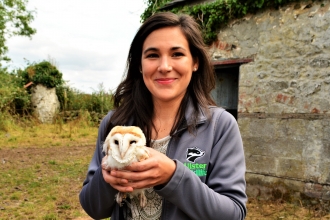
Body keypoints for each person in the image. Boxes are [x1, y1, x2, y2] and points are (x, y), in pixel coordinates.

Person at [79, 12, 247, 220]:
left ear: (195, 62)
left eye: (177, 54)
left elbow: (233, 214)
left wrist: (173, 177)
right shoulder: (115, 124)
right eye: (152, 55)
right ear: (140, 65)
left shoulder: (220, 127)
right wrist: (107, 178)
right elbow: (92, 208)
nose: (165, 67)